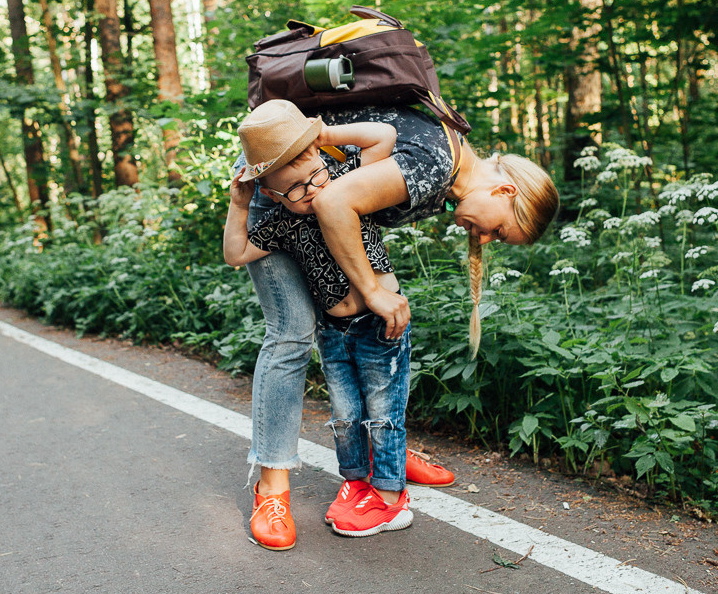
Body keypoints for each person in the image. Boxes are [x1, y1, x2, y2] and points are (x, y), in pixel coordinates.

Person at [239, 102, 559, 549]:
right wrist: (370, 291)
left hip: (311, 171)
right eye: (499, 232)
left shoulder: (449, 172)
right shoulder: (437, 163)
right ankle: (271, 489)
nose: (484, 239)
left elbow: (357, 213)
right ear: (505, 192)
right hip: (282, 177)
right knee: (292, 333)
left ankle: (383, 445)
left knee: (375, 346)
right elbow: (335, 200)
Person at [224, 100, 418, 547]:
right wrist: (240, 202)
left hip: (379, 323)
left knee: (383, 411)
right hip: (335, 331)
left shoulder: (346, 180)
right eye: (293, 189)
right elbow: (236, 254)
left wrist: (319, 136)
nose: (311, 192)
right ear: (270, 194)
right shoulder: (280, 224)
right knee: (347, 416)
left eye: (315, 176)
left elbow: (383, 138)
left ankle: (390, 493)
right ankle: (356, 481)